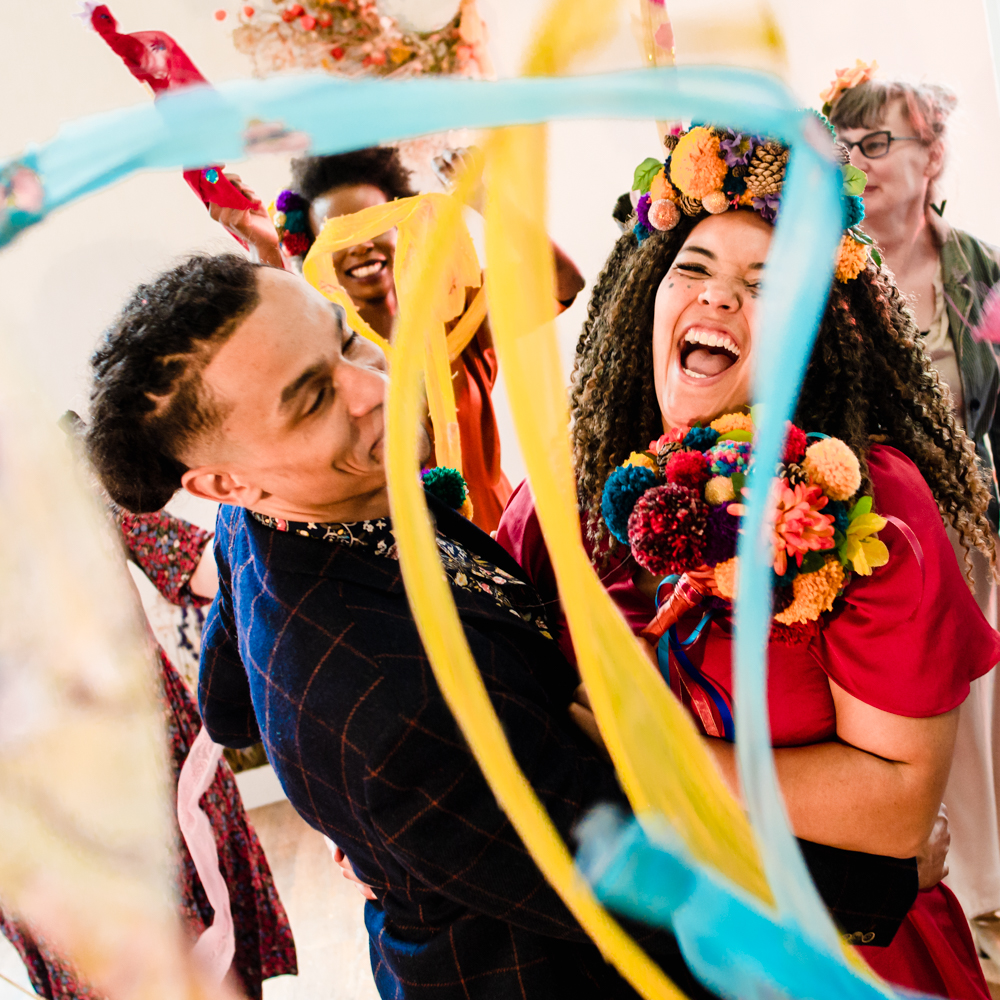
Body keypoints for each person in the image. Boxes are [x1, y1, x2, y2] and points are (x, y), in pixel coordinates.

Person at [82, 252, 721, 1000]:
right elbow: (633, 888)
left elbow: (226, 708)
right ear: (226, 481)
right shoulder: (387, 696)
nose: (374, 387)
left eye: (346, 340)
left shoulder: (251, 522)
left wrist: (369, 823)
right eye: (314, 400)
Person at [496, 125, 999, 1000]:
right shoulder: (560, 496)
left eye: (766, 285)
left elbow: (896, 812)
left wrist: (650, 754)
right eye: (691, 268)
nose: (718, 295)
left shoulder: (873, 507)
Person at [827, 70, 1000, 957]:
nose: (857, 162)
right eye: (845, 146)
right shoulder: (831, 271)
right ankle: (927, 884)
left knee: (979, 722)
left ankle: (986, 889)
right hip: (872, 538)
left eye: (877, 143)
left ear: (932, 158)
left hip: (974, 535)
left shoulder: (981, 274)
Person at [0, 503, 297, 1000]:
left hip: (163, 773)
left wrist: (279, 534)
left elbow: (190, 558)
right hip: (50, 822)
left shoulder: (70, 483)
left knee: (215, 950)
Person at [209, 146, 585, 534]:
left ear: (404, 222)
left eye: (375, 223)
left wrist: (486, 200)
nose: (361, 244)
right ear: (316, 247)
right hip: (403, 555)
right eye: (340, 233)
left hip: (502, 537)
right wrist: (264, 248)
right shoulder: (326, 349)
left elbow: (563, 282)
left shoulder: (457, 305)